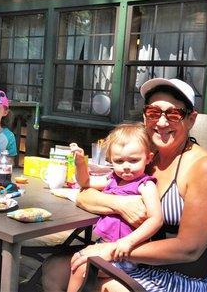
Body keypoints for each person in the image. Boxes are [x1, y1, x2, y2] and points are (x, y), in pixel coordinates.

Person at [42, 78, 207, 292]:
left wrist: (113, 250)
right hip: (137, 265)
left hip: (177, 277)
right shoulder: (144, 159)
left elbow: (189, 248)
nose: (162, 123)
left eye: (174, 114)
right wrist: (120, 204)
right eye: (154, 113)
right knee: (54, 269)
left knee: (94, 278)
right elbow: (85, 194)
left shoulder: (204, 167)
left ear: (191, 119)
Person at [66, 123, 163, 292]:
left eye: (134, 160)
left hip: (127, 252)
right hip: (104, 245)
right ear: (110, 160)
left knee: (82, 268)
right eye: (119, 161)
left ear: (148, 158)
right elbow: (85, 182)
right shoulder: (112, 180)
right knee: (77, 264)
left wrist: (127, 242)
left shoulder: (145, 185)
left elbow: (156, 219)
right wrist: (81, 163)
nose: (126, 166)